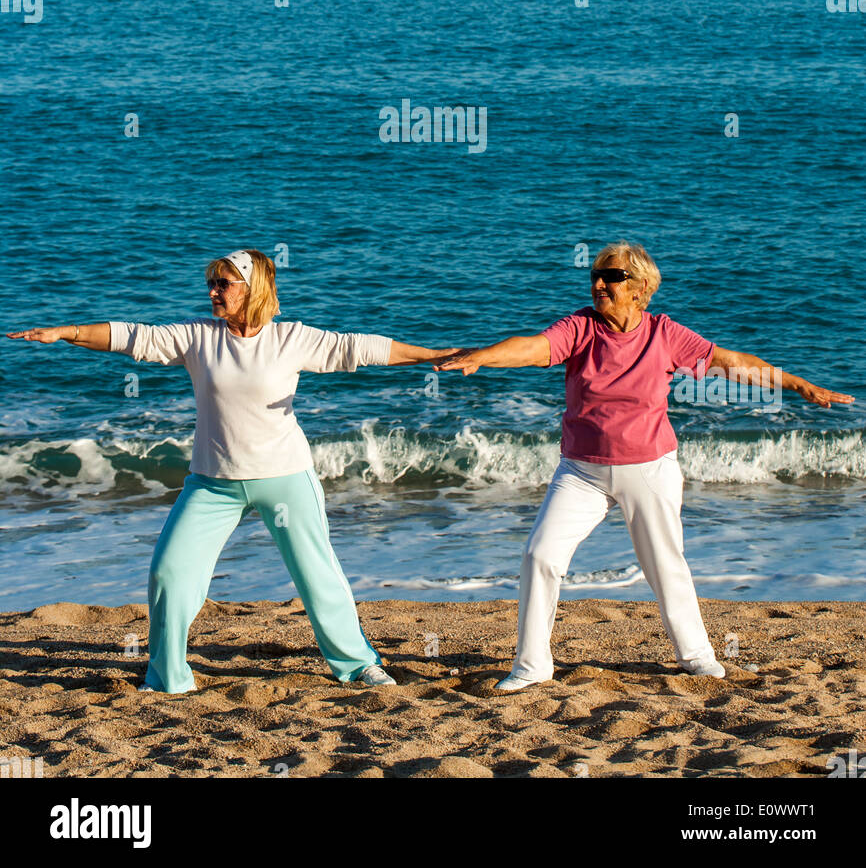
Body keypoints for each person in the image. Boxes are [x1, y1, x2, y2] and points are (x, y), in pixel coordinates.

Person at [8, 248, 449, 694]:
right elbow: (133, 336)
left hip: (284, 477)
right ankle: (167, 679)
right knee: (170, 572)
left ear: (253, 288)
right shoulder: (199, 337)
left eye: (224, 284)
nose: (214, 292)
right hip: (212, 483)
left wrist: (435, 354)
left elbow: (362, 348)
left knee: (317, 577)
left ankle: (357, 665)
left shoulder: (291, 339)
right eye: (211, 284)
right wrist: (67, 332)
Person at [436, 241, 854, 691]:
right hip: (581, 472)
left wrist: (798, 384)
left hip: (649, 469)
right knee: (540, 555)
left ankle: (697, 656)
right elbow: (534, 348)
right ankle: (532, 665)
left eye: (611, 277)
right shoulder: (580, 327)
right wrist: (484, 355)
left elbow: (732, 364)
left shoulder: (664, 334)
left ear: (639, 288)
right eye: (596, 275)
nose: (599, 284)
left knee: (664, 564)